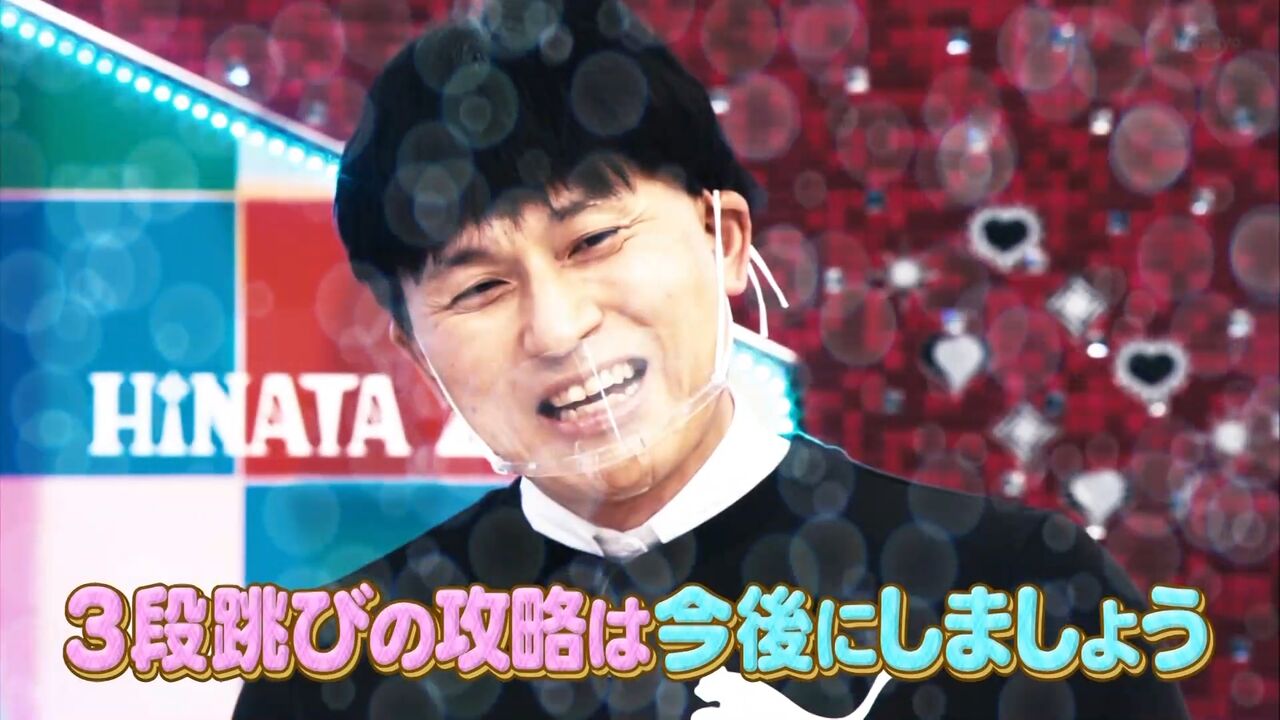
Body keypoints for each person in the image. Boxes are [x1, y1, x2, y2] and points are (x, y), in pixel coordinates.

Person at [233, 1, 1192, 718]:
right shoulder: (337, 672)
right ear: (415, 351)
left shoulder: (1020, 597)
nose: (557, 329)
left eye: (592, 240)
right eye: (481, 288)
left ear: (723, 238)